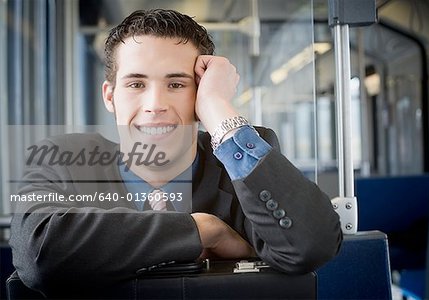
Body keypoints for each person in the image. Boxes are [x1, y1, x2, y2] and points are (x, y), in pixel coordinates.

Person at [9, 9, 342, 297]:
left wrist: (218, 109)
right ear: (110, 96)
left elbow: (312, 244)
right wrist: (203, 230)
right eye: (136, 84)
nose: (155, 105)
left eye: (177, 84)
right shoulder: (60, 159)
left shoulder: (240, 164)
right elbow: (38, 254)